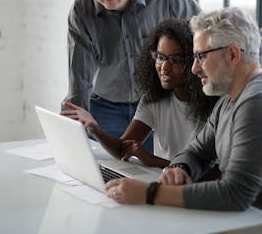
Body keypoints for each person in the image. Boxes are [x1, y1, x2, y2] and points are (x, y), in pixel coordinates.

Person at [103, 7, 262, 234]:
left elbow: (235, 194)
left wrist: (148, 193)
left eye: (201, 56)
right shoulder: (231, 98)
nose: (195, 68)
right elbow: (196, 152)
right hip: (241, 225)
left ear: (233, 54)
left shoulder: (261, 102)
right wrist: (180, 168)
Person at [63, 0, 201, 148]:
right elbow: (79, 78)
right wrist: (73, 130)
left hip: (158, 104)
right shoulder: (82, 9)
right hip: (105, 107)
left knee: (153, 172)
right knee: (105, 172)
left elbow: (204, 45)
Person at [61, 18, 218, 168]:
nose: (164, 68)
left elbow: (213, 174)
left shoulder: (214, 104)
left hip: (196, 189)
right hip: (160, 181)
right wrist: (94, 128)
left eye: (175, 60)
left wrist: (151, 160)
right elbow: (124, 148)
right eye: (160, 57)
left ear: (194, 61)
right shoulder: (154, 98)